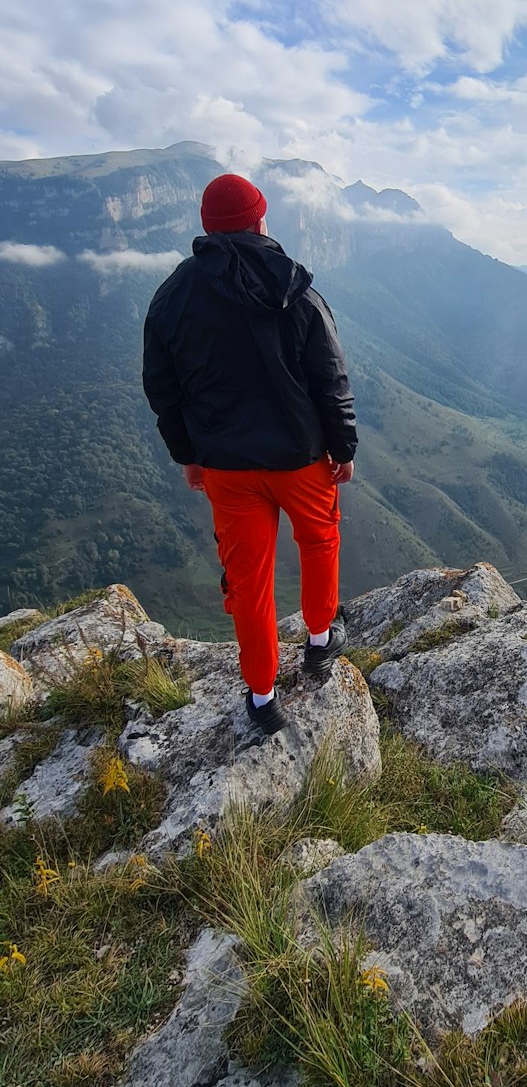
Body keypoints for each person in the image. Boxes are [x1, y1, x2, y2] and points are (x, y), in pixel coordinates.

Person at [142, 171, 357, 736]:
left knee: (249, 577)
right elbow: (330, 378)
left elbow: (162, 388)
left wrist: (188, 454)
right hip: (301, 457)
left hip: (226, 467)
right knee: (319, 540)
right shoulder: (298, 289)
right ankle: (318, 642)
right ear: (262, 221)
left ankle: (262, 697)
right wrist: (343, 447)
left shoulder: (172, 296)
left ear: (207, 230)